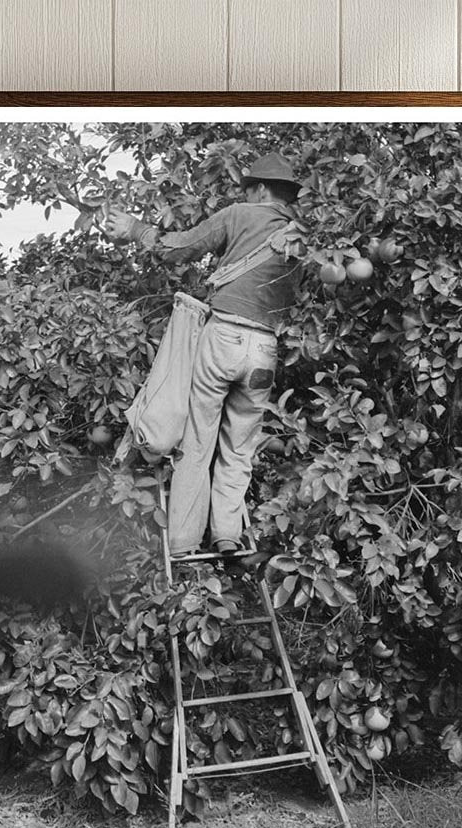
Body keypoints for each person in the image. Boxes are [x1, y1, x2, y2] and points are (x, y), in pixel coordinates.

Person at [104, 153, 302, 556]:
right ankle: (227, 534)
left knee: (197, 440)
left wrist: (136, 229)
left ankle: (183, 540)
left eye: (249, 189)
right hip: (265, 349)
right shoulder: (303, 235)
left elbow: (180, 248)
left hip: (224, 337)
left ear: (260, 189)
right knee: (240, 448)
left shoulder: (239, 215)